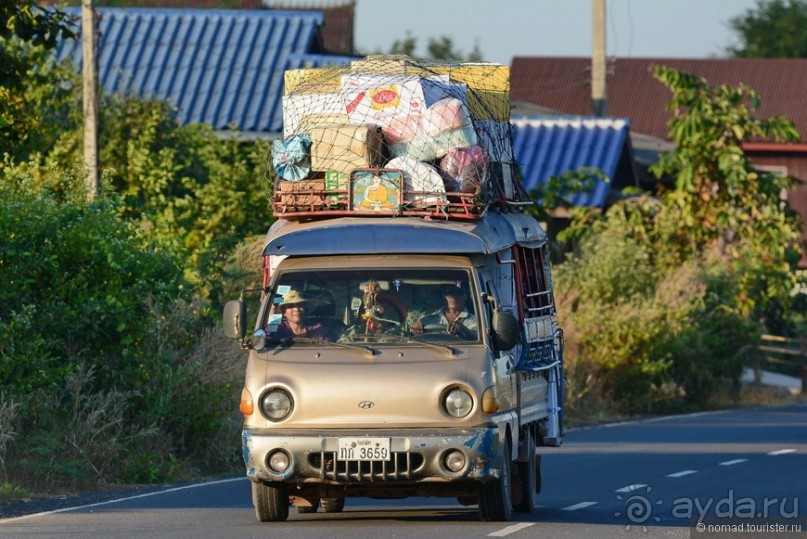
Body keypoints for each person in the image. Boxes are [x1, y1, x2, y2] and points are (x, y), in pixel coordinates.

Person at [411, 286, 477, 339]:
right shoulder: (427, 319)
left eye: (458, 292)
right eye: (448, 292)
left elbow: (478, 337)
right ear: (443, 296)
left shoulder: (476, 320)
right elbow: (413, 339)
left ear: (466, 295)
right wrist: (415, 330)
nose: (452, 296)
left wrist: (464, 330)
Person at [267, 289, 332, 341]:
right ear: (283, 312)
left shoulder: (317, 328)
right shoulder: (279, 329)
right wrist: (273, 307)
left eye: (299, 304)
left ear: (305, 308)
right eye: (290, 306)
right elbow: (269, 336)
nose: (296, 309)